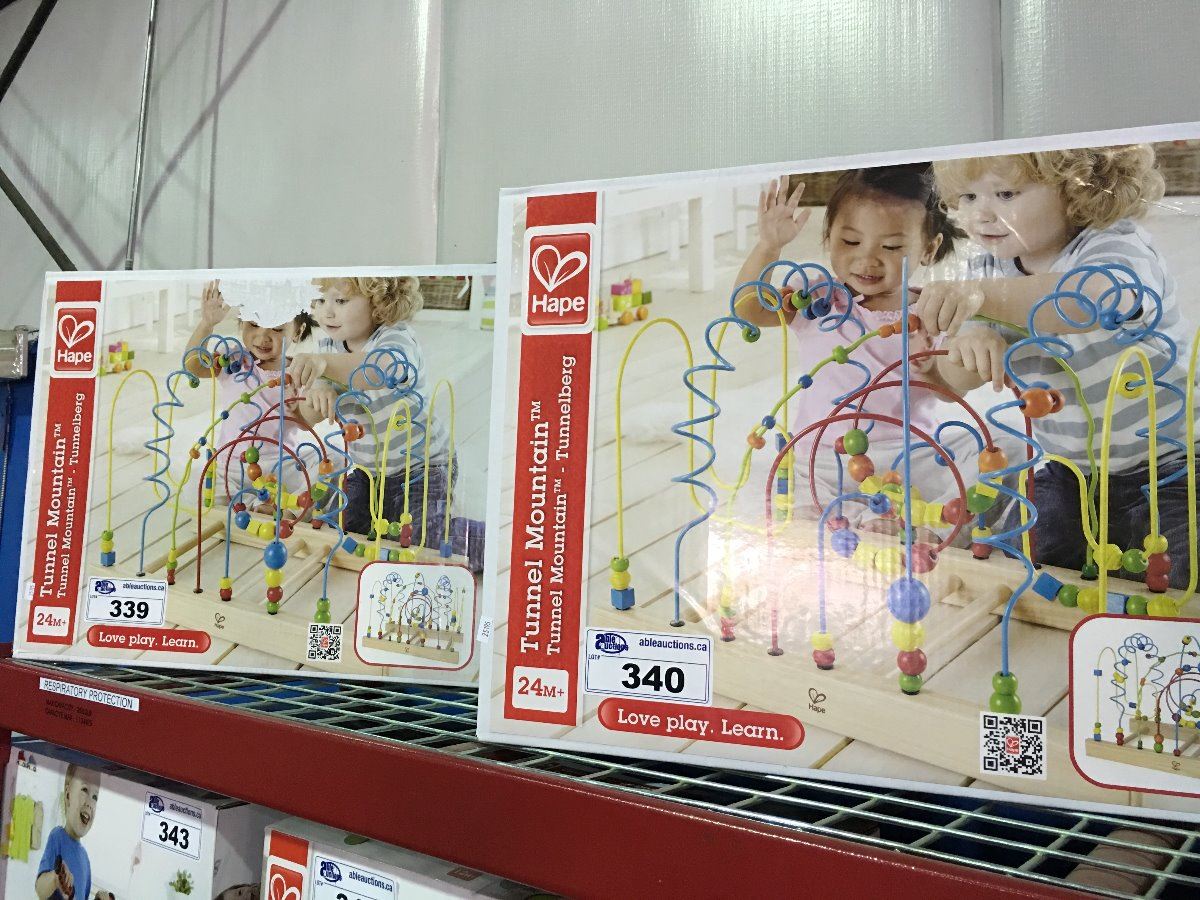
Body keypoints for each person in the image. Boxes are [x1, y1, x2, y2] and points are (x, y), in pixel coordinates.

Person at [926, 144, 1194, 589]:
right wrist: (970, 339)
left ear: (1074, 191)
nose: (981, 215)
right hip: (1073, 474)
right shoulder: (989, 270)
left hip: (1174, 466)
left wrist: (982, 299)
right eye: (968, 198)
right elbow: (952, 383)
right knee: (1030, 556)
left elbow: (1089, 299)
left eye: (1006, 194)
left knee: (1183, 568)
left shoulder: (1116, 244)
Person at [733, 165, 987, 523]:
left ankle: (919, 524)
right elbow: (748, 309)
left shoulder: (933, 310)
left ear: (929, 249)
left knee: (994, 450)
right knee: (785, 493)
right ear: (828, 237)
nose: (867, 259)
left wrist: (931, 371)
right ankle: (866, 521)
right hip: (823, 456)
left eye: (892, 246)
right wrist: (768, 246)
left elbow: (952, 392)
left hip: (907, 457)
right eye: (851, 241)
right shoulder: (817, 298)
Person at [290, 277, 484, 571]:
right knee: (344, 527)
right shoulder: (328, 345)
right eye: (320, 301)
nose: (327, 312)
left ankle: (490, 542)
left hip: (423, 467)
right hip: (370, 472)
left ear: (379, 302)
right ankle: (389, 518)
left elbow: (377, 370)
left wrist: (325, 366)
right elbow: (309, 416)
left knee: (423, 537)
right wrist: (319, 389)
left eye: (340, 301)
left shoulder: (397, 338)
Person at [36, 764, 100, 900]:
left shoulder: (85, 859)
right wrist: (55, 878)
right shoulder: (58, 836)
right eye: (84, 790)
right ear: (68, 795)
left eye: (95, 797)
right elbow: (40, 888)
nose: (90, 803)